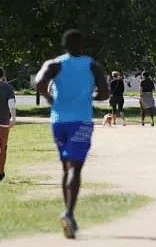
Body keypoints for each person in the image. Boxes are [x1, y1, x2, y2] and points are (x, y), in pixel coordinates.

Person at [35, 29, 109, 239]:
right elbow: (105, 94)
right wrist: (90, 96)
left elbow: (39, 82)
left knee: (65, 168)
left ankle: (68, 211)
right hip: (81, 121)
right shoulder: (92, 65)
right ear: (82, 44)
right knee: (75, 169)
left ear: (64, 45)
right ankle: (69, 212)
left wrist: (50, 98)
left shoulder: (54, 64)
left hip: (59, 121)